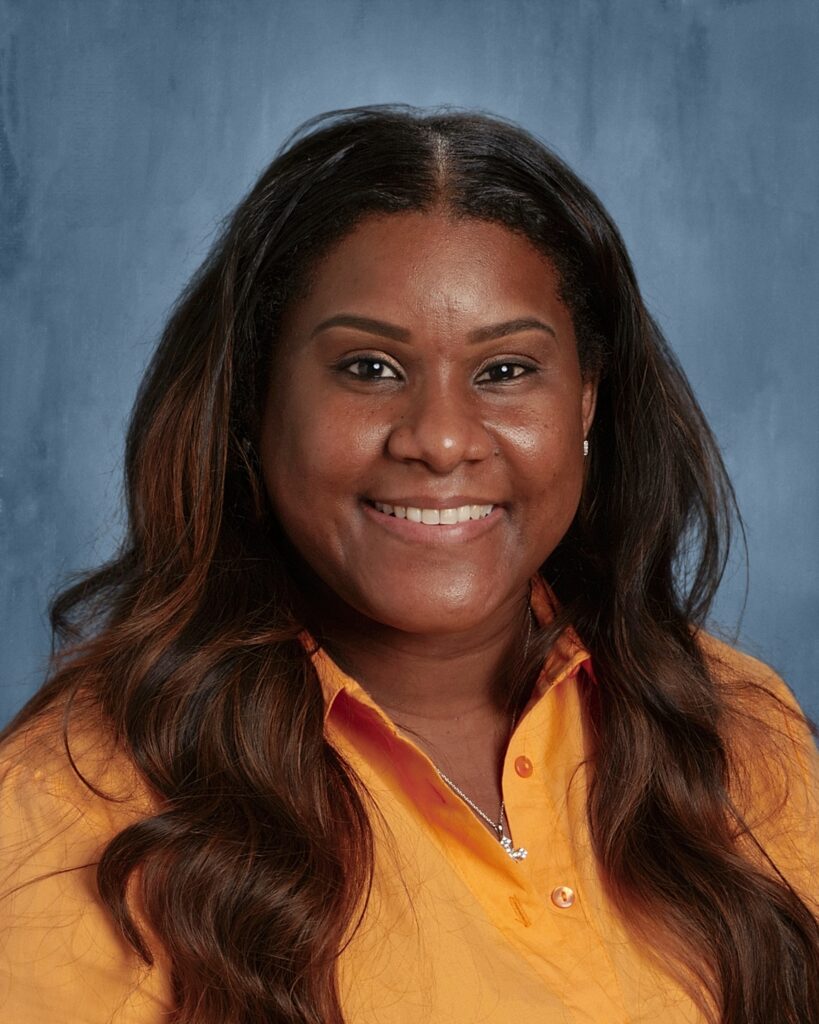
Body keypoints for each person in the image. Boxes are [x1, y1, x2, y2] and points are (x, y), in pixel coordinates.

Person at [0, 105, 817, 1024]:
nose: (439, 439)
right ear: (252, 402)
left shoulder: (736, 731)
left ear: (586, 401)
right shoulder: (72, 813)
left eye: (505, 371)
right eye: (369, 368)